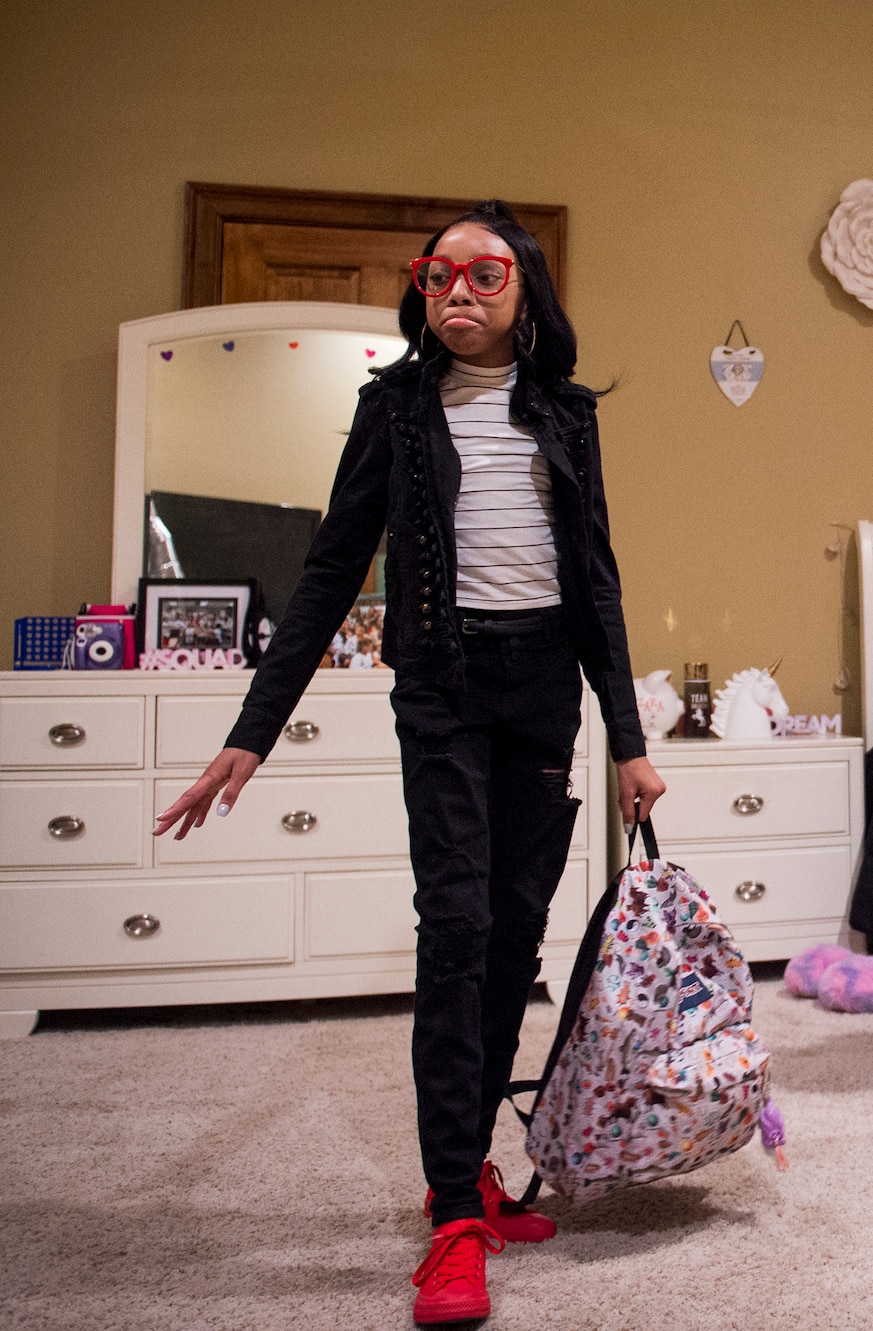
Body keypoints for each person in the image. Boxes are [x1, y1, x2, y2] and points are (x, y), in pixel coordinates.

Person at [155, 200, 665, 1325]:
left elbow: (596, 582)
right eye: (438, 277)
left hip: (543, 694)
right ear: (420, 291)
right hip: (440, 691)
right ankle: (449, 1215)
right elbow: (332, 566)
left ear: (525, 287)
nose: (459, 295)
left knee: (514, 939)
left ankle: (473, 1172)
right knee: (459, 932)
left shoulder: (565, 416)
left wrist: (626, 739)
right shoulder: (392, 409)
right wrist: (253, 727)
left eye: (484, 273)